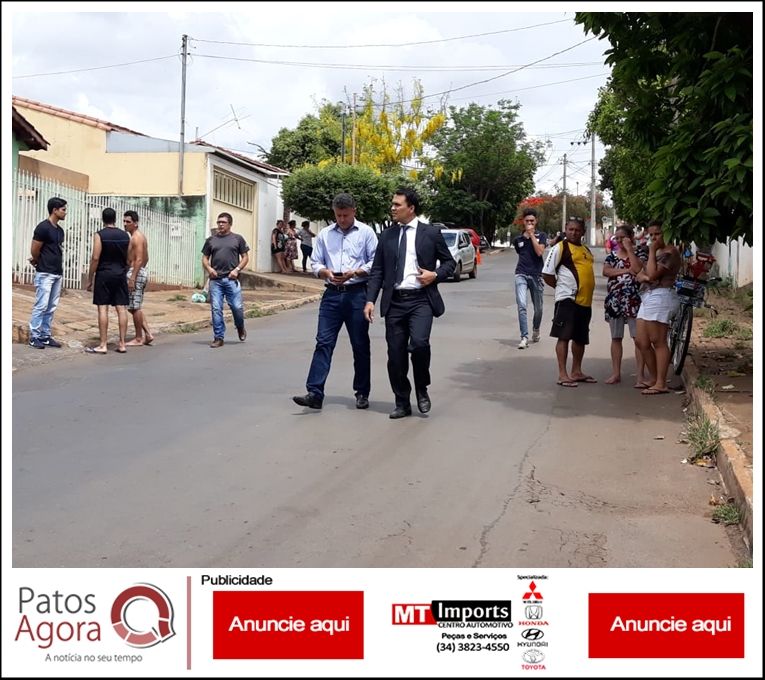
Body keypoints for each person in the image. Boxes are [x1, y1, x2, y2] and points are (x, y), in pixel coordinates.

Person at [364, 187, 456, 418]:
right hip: (395, 301)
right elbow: (377, 271)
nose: (392, 208)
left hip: (421, 300)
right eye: (392, 204)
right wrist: (370, 300)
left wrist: (434, 275)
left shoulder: (430, 233)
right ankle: (402, 401)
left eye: (397, 204)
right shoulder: (387, 235)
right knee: (395, 356)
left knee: (419, 344)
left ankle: (422, 387)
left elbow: (449, 263)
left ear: (411, 208)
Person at [292, 194, 378, 411]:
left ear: (354, 212)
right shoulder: (324, 235)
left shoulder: (366, 233)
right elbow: (316, 262)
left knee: (359, 344)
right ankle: (315, 392)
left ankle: (362, 392)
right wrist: (325, 272)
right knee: (323, 342)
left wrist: (356, 272)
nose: (342, 219)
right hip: (331, 294)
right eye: (338, 215)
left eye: (345, 215)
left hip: (357, 293)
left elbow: (375, 262)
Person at [542, 217, 596, 387]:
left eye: (577, 230)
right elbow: (547, 274)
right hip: (568, 299)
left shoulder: (586, 250)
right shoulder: (560, 248)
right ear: (565, 229)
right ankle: (563, 374)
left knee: (580, 337)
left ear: (583, 232)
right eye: (570, 229)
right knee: (564, 336)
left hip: (585, 302)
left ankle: (576, 371)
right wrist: (561, 288)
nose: (573, 232)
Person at [632, 220, 682, 395]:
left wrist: (651, 252)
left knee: (657, 340)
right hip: (648, 296)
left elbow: (652, 275)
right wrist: (643, 275)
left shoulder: (670, 253)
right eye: (651, 234)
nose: (653, 238)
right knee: (641, 341)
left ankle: (661, 382)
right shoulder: (658, 252)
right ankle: (654, 378)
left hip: (661, 296)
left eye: (657, 234)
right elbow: (640, 270)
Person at [602, 225, 649, 385]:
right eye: (617, 237)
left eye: (623, 237)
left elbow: (637, 268)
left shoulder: (640, 252)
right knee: (616, 338)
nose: (620, 240)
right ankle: (616, 373)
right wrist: (625, 271)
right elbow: (606, 271)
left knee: (638, 339)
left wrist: (630, 250)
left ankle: (640, 376)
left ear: (631, 237)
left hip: (634, 301)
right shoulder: (612, 256)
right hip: (615, 301)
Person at [85, 208, 131, 354]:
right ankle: (122, 343)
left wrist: (90, 277)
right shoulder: (125, 236)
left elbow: (95, 257)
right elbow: (129, 258)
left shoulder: (99, 235)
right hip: (120, 274)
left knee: (102, 308)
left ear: (103, 219)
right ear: (115, 219)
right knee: (121, 308)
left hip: (104, 274)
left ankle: (103, 344)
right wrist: (123, 269)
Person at [201, 212, 250, 348]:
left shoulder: (237, 239)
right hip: (216, 280)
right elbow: (204, 258)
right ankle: (218, 337)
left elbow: (245, 257)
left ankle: (240, 326)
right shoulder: (211, 240)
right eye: (218, 222)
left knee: (237, 307)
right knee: (216, 308)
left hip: (231, 279)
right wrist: (209, 269)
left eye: (223, 222)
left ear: (230, 224)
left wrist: (237, 270)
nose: (220, 225)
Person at [27, 197, 67, 349]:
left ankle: (45, 335)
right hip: (45, 272)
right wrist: (38, 261)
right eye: (63, 209)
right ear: (54, 210)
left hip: (57, 272)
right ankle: (34, 336)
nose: (65, 212)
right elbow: (35, 249)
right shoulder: (43, 227)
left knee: (51, 306)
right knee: (41, 305)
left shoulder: (60, 230)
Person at [512, 208, 547, 349]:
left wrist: (532, 236)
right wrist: (526, 236)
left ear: (536, 221)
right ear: (523, 222)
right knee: (522, 305)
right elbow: (520, 253)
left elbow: (539, 252)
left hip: (536, 275)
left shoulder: (542, 236)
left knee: (538, 308)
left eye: (532, 221)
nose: (530, 223)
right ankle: (524, 337)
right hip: (521, 273)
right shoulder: (518, 240)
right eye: (527, 221)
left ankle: (536, 329)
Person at [123, 210, 154, 346]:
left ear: (135, 223)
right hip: (137, 271)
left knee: (135, 307)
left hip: (136, 272)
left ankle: (139, 337)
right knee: (133, 306)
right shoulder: (135, 236)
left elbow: (141, 258)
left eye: (128, 222)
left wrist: (133, 277)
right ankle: (147, 333)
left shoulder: (137, 237)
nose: (125, 224)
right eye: (124, 221)